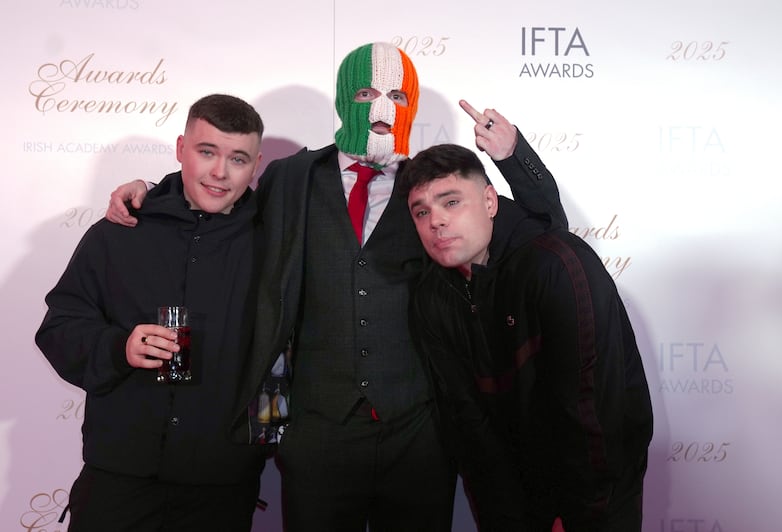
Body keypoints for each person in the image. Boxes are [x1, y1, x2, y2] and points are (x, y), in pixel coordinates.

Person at [105, 42, 567, 531]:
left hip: (421, 435)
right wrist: (155, 193)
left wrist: (514, 157)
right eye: (367, 92)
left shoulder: (432, 188)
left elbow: (547, 226)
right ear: (345, 98)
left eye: (396, 95)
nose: (382, 108)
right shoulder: (291, 177)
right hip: (314, 436)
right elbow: (220, 197)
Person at [35, 94, 269, 531]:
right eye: (206, 152)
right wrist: (118, 346)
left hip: (221, 487)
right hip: (118, 480)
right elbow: (58, 328)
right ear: (181, 149)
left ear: (256, 165)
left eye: (238, 158)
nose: (220, 172)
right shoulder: (119, 230)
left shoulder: (276, 243)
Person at [396, 143, 654, 532]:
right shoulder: (430, 298)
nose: (436, 221)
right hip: (511, 503)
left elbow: (593, 412)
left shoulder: (556, 264)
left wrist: (580, 513)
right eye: (422, 211)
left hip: (597, 497)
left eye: (451, 202)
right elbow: (470, 423)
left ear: (489, 201)